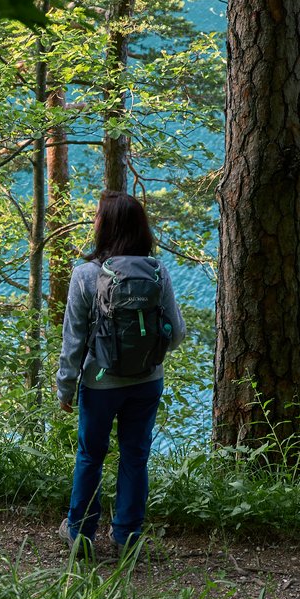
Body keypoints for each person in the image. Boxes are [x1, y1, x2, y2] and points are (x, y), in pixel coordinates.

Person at [56, 190, 185, 558]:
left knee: (90, 456)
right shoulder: (158, 271)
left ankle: (80, 533)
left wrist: (65, 388)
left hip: (100, 385)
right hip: (147, 382)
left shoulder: (85, 275)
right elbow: (176, 334)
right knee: (134, 457)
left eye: (97, 218)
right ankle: (127, 536)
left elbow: (73, 342)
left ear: (107, 227)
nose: (94, 223)